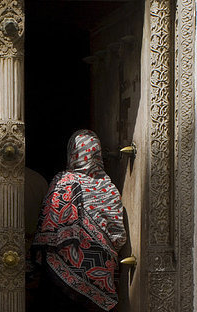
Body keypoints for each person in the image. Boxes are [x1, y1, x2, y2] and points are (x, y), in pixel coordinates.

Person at [31, 130, 126, 311]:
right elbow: (118, 237)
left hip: (65, 274)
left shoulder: (64, 181)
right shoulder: (109, 187)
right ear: (97, 154)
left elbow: (48, 227)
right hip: (102, 276)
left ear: (73, 154)